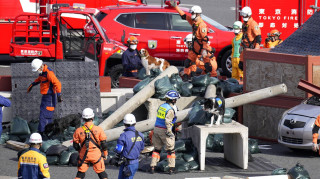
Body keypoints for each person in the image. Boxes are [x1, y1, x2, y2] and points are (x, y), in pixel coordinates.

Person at [171, 2, 215, 80]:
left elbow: (205, 38)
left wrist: (204, 50)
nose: (191, 15)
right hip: (195, 47)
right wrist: (176, 7)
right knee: (188, 62)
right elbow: (184, 16)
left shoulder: (202, 25)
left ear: (198, 14)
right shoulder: (194, 22)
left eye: (193, 13)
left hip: (201, 47)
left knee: (208, 66)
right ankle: (186, 77)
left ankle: (213, 78)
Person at [27, 58, 62, 135]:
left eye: (37, 69)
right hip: (45, 97)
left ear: (41, 66)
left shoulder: (49, 73)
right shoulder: (43, 73)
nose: (37, 71)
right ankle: (42, 131)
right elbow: (39, 79)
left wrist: (59, 95)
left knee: (45, 116)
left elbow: (57, 83)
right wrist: (33, 84)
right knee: (43, 114)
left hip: (50, 97)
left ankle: (44, 132)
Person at [73, 108, 109, 179]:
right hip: (96, 155)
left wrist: (81, 152)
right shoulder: (98, 129)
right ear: (92, 117)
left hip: (84, 155)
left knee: (80, 173)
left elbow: (75, 145)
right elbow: (103, 144)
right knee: (102, 173)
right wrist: (105, 154)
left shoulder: (78, 130)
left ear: (83, 118)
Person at [150, 90, 180, 175]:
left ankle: (152, 167)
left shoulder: (162, 106)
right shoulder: (170, 110)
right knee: (171, 150)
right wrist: (170, 132)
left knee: (157, 149)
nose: (176, 101)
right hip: (164, 130)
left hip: (156, 129)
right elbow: (168, 122)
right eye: (175, 99)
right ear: (173, 100)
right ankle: (171, 169)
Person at [111, 114, 144, 179]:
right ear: (135, 123)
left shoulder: (123, 136)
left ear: (124, 124)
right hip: (135, 163)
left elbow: (119, 150)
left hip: (127, 164)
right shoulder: (140, 135)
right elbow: (141, 148)